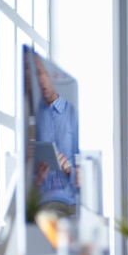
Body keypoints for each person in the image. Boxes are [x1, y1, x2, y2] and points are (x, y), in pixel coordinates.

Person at [29, 51, 79, 218]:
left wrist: (69, 169)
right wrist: (35, 176)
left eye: (43, 73)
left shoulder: (74, 113)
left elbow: (87, 170)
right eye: (36, 75)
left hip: (69, 203)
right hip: (40, 204)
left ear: (54, 76)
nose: (40, 80)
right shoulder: (33, 116)